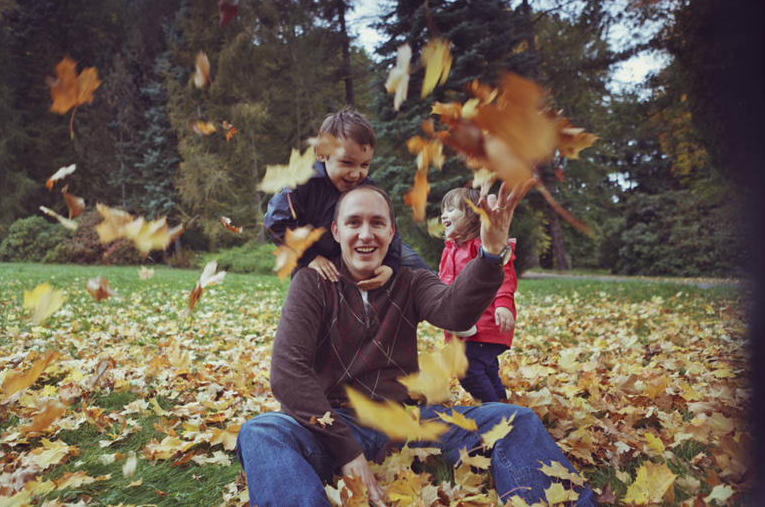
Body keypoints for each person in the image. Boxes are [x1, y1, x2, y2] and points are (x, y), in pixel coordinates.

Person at [238, 182, 596, 507]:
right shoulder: (312, 283)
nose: (366, 234)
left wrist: (489, 254)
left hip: (406, 420)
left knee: (516, 419)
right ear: (336, 230)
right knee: (261, 432)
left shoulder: (410, 279)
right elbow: (287, 375)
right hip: (336, 423)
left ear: (391, 232)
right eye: (354, 223)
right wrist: (347, 451)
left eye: (377, 223)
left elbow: (454, 313)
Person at [263, 108, 431, 289]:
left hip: (357, 249)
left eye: (365, 164)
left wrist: (389, 265)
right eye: (346, 163)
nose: (356, 173)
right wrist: (309, 257)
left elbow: (389, 229)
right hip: (313, 253)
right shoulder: (302, 182)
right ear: (321, 153)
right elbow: (275, 222)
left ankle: (445, 304)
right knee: (307, 286)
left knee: (414, 263)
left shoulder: (368, 188)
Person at [440, 187, 518, 403]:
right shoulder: (449, 250)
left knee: (469, 370)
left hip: (485, 324)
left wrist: (504, 303)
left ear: (473, 215)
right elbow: (443, 285)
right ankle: (503, 408)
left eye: (451, 209)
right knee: (487, 370)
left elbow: (504, 273)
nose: (444, 215)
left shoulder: (482, 247)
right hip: (463, 328)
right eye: (443, 211)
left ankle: (493, 412)